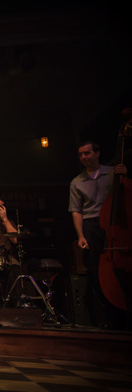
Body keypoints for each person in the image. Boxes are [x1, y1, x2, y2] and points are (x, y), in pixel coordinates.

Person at [69, 140, 128, 328]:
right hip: (91, 226)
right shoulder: (77, 182)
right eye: (81, 155)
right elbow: (76, 211)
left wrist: (124, 177)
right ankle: (106, 318)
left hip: (116, 224)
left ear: (97, 153)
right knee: (97, 271)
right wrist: (80, 235)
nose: (84, 157)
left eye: (87, 153)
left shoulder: (112, 173)